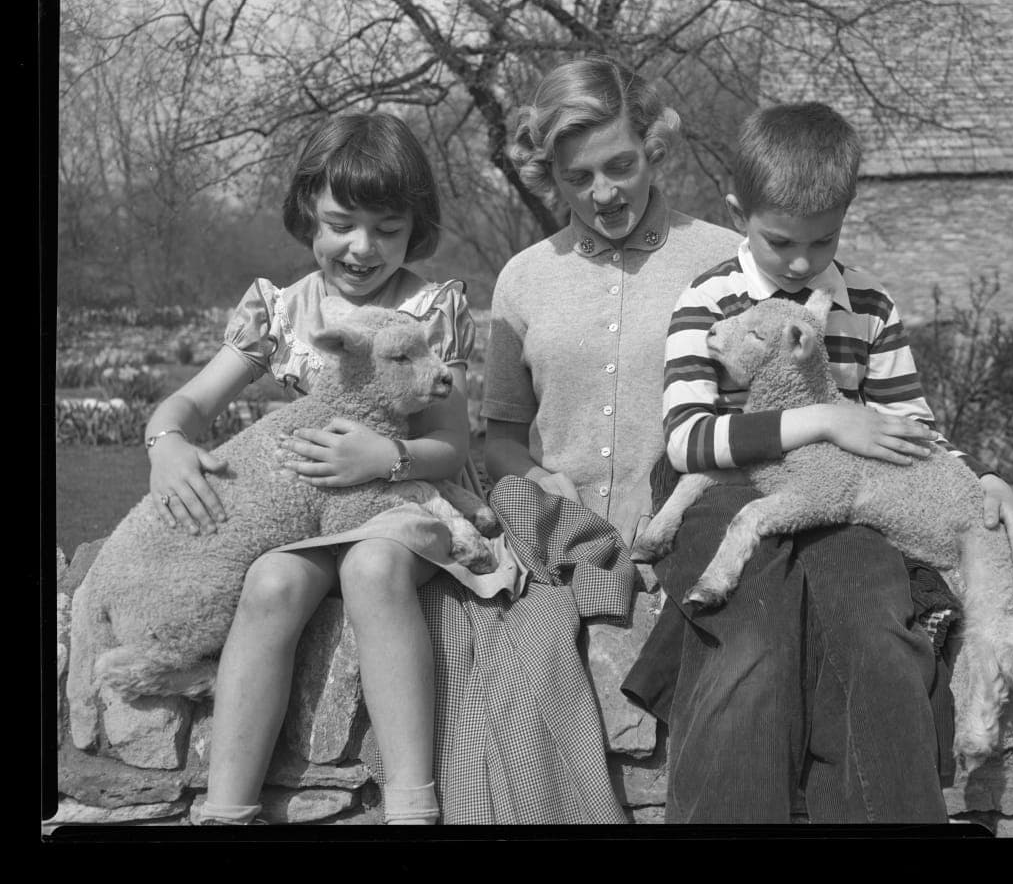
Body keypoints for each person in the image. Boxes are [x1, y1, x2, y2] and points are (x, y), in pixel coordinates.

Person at [623, 102, 1013, 824]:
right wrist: (823, 418)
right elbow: (687, 437)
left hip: (843, 495)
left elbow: (913, 432)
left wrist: (987, 480)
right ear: (738, 211)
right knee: (752, 635)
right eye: (781, 240)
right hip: (721, 479)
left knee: (879, 627)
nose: (804, 261)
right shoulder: (709, 300)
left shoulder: (869, 308)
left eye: (824, 240)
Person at [142, 112, 520, 826]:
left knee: (371, 569)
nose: (361, 246)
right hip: (315, 512)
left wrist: (389, 456)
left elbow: (451, 444)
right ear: (309, 213)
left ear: (416, 227)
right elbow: (190, 401)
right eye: (342, 222)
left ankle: (413, 801)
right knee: (271, 579)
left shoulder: (431, 309)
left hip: (413, 498)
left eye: (387, 226)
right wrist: (166, 441)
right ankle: (226, 807)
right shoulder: (283, 310)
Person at [484, 56, 742, 548]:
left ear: (653, 148)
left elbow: (756, 416)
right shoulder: (521, 279)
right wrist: (539, 482)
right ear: (549, 174)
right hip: (556, 545)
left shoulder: (726, 261)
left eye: (620, 166)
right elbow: (501, 443)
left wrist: (665, 481)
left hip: (693, 536)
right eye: (578, 178)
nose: (603, 194)